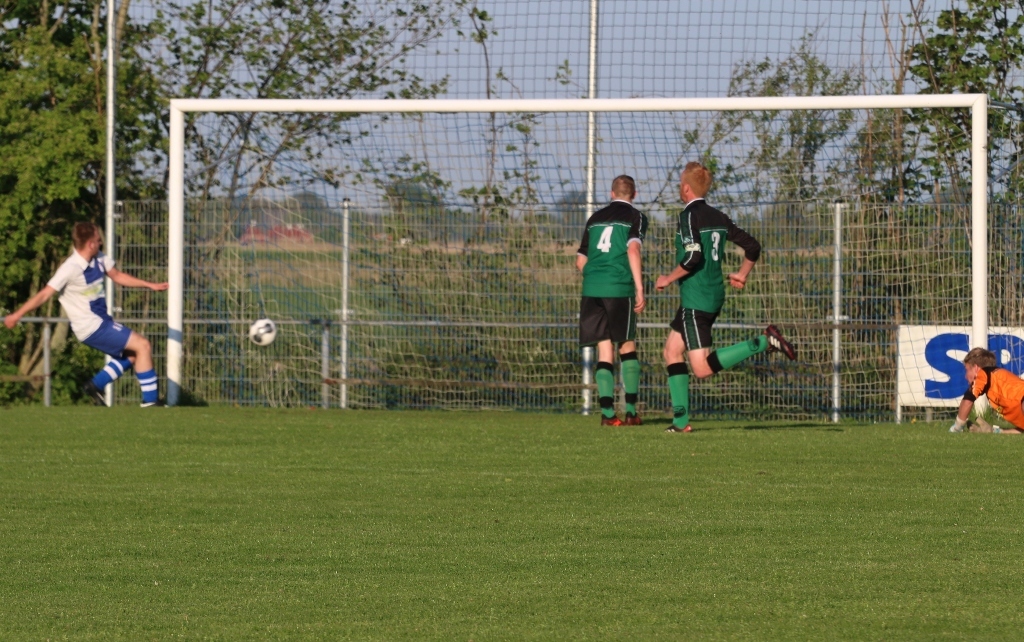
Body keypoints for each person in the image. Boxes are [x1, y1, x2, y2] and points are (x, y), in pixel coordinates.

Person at [655, 162, 796, 433]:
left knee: (701, 369)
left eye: (680, 184)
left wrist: (667, 278)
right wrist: (742, 274)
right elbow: (752, 246)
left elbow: (693, 256)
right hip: (709, 295)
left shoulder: (688, 216)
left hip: (697, 299)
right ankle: (681, 422)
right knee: (672, 351)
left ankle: (763, 341)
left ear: (686, 188)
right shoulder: (718, 216)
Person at [3, 222, 168, 406]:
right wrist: (17, 315)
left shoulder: (99, 259)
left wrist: (149, 285)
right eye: (98, 240)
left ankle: (95, 385)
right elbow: (44, 294)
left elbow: (117, 276)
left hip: (102, 322)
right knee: (143, 345)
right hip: (91, 326)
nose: (100, 243)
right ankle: (151, 403)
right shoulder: (70, 268)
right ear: (90, 244)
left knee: (133, 354)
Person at [577, 175, 649, 426]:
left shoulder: (595, 219)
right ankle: (631, 412)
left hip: (592, 289)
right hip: (619, 287)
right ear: (634, 194)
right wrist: (640, 288)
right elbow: (633, 249)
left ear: (611, 193)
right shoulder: (636, 217)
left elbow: (580, 261)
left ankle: (608, 415)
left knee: (604, 348)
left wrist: (597, 279)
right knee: (626, 346)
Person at [949, 347, 1024, 434]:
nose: (966, 376)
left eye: (967, 370)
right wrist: (995, 431)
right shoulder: (996, 385)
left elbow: (968, 400)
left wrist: (957, 427)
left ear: (976, 368)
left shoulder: (983, 374)